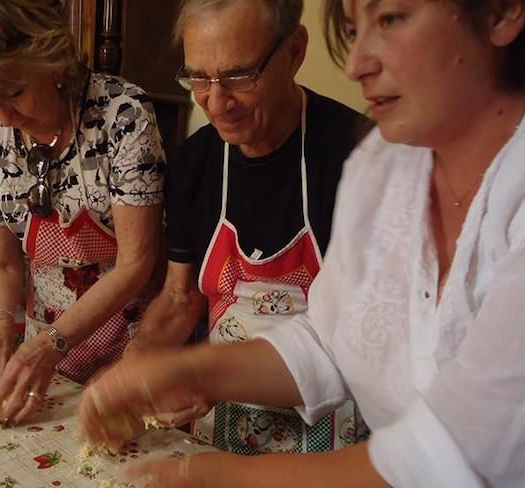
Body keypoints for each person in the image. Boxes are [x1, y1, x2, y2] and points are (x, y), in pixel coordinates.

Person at [79, 0, 525, 486]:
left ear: (503, 10)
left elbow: (463, 458)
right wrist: (181, 372)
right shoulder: (387, 164)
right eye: (352, 29)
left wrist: (210, 475)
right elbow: (328, 339)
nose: (356, 64)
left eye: (390, 18)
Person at [122, 0, 369, 455]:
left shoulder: (358, 157)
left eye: (239, 76)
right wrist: (138, 364)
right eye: (198, 77)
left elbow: (365, 335)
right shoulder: (194, 163)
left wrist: (202, 374)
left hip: (328, 430)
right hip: (220, 417)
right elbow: (180, 297)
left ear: (295, 51)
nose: (217, 103)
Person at [0, 0, 166, 426]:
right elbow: (3, 259)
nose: (5, 116)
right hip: (40, 345)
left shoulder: (121, 115)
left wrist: (48, 346)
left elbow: (136, 263)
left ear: (54, 61)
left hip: (127, 346)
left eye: (14, 92)